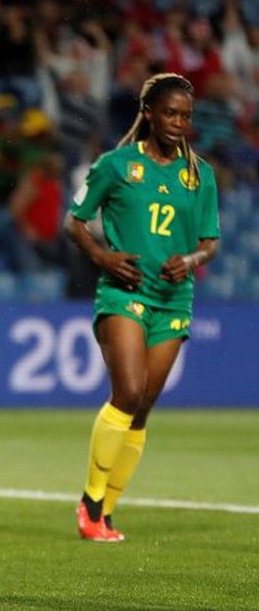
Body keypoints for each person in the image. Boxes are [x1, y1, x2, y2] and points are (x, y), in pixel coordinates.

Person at [65, 73, 220, 542]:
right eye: (170, 113)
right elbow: (75, 221)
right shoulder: (115, 165)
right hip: (123, 291)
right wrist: (102, 256)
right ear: (149, 113)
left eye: (186, 116)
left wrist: (190, 260)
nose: (178, 123)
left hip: (174, 298)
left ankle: (106, 511)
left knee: (144, 407)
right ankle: (90, 502)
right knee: (128, 392)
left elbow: (211, 242)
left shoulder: (200, 174)